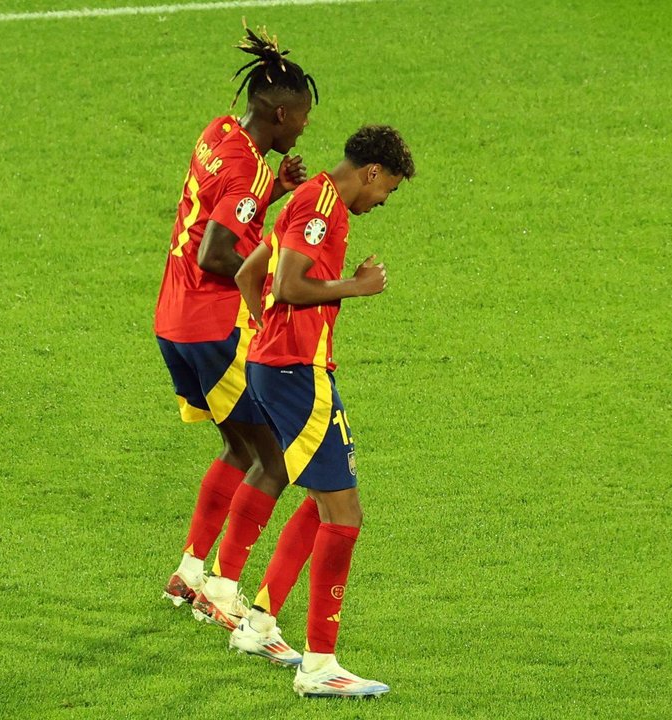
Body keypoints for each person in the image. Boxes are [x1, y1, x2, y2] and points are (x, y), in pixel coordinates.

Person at [227, 126, 416, 697]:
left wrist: (264, 341)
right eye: (388, 191)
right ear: (372, 172)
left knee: (321, 500)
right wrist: (358, 288)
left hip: (275, 367)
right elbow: (285, 286)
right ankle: (320, 665)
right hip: (296, 373)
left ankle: (258, 623)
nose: (381, 203)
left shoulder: (309, 196)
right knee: (345, 512)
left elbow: (247, 275)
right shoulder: (324, 206)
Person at [155, 24, 316, 618]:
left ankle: (189, 571)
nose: (303, 127)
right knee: (271, 459)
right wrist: (274, 286)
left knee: (236, 448)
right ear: (278, 113)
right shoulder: (246, 169)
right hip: (212, 325)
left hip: (173, 320)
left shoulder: (220, 133)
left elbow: (224, 211)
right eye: (299, 118)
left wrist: (274, 187)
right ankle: (219, 592)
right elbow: (216, 253)